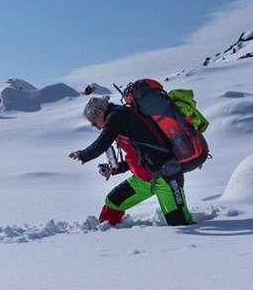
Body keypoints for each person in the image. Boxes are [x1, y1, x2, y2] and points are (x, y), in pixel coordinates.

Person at [69, 96, 193, 226]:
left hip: (166, 177)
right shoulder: (121, 116)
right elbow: (140, 154)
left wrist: (83, 155)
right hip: (144, 179)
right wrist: (116, 168)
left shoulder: (117, 115)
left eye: (94, 123)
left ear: (100, 112)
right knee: (113, 202)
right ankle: (106, 236)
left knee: (180, 223)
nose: (98, 128)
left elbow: (102, 144)